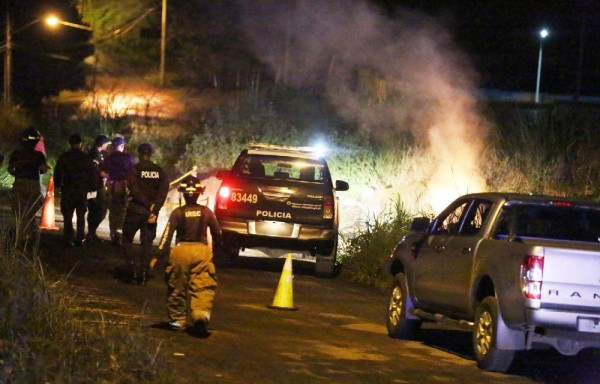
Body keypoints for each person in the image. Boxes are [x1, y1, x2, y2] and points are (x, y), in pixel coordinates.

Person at [157, 175, 222, 334]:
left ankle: (178, 321)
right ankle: (200, 316)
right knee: (202, 287)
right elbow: (217, 233)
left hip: (181, 251)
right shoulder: (206, 212)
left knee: (176, 287)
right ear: (200, 193)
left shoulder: (177, 213)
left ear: (183, 193)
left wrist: (158, 256)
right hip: (201, 251)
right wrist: (217, 253)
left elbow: (167, 236)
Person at [122, 143, 169, 285]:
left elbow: (134, 191)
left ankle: (132, 271)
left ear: (139, 153)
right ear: (150, 154)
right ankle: (143, 275)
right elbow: (163, 191)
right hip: (151, 214)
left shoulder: (134, 170)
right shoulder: (159, 171)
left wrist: (148, 205)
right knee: (147, 244)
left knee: (126, 239)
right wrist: (155, 209)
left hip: (136, 210)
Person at [54, 134, 97, 247]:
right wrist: (93, 187)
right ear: (80, 144)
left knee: (67, 214)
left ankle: (68, 237)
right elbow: (92, 174)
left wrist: (57, 186)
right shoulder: (85, 158)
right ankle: (79, 237)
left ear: (70, 143)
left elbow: (58, 172)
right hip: (81, 191)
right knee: (81, 215)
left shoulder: (65, 157)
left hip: (68, 189)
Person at [7, 127, 49, 241]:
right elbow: (44, 170)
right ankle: (27, 237)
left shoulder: (17, 153)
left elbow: (10, 169)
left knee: (20, 212)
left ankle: (21, 238)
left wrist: (18, 170)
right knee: (30, 212)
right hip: (33, 186)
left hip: (20, 184)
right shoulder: (39, 155)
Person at [101, 136, 135, 246]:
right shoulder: (127, 158)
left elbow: (102, 172)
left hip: (111, 186)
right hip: (123, 186)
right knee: (122, 211)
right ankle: (118, 233)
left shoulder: (108, 158)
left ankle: (112, 233)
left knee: (112, 210)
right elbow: (133, 172)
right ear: (122, 146)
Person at [86, 134, 111, 243]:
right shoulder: (95, 153)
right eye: (106, 143)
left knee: (94, 210)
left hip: (93, 186)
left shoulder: (96, 153)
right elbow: (93, 166)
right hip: (95, 186)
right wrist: (102, 173)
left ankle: (91, 233)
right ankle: (91, 233)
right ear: (101, 144)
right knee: (101, 210)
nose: (107, 145)